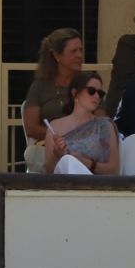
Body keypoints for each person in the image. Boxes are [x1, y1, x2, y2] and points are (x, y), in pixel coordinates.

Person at [23, 28, 87, 171]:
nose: (80, 55)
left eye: (81, 50)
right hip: (50, 145)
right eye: (74, 51)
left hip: (83, 145)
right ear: (57, 56)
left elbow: (101, 119)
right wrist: (58, 138)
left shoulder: (88, 83)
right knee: (36, 154)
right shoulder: (40, 86)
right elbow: (31, 128)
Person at [42, 70, 120, 175]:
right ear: (75, 93)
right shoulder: (55, 127)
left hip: (96, 183)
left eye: (100, 93)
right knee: (67, 161)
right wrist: (56, 155)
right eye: (91, 91)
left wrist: (87, 163)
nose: (97, 96)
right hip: (64, 182)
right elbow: (48, 171)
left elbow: (114, 170)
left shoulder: (105, 125)